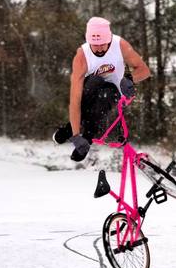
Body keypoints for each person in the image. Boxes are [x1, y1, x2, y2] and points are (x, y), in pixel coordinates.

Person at [53, 16, 151, 161]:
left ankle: (88, 138)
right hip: (91, 87)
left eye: (102, 45)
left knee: (107, 93)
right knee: (95, 80)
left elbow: (144, 70)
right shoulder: (82, 56)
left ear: (109, 39)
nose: (98, 49)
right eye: (94, 45)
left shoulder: (120, 45)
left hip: (116, 89)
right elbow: (75, 100)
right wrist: (75, 135)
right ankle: (73, 132)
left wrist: (130, 79)